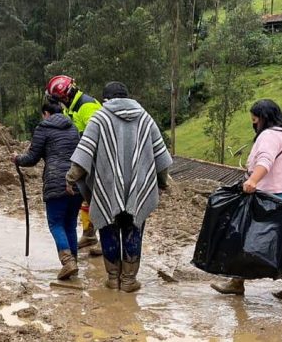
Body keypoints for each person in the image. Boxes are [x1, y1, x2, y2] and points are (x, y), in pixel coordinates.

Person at [66, 82, 172, 292]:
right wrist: (162, 182)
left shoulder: (100, 118)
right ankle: (129, 281)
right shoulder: (145, 118)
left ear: (106, 99)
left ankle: (113, 279)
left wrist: (71, 178)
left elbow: (84, 153)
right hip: (139, 188)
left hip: (107, 187)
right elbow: (160, 155)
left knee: (108, 228)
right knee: (133, 229)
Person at [211, 99, 282, 303]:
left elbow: (265, 160)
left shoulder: (269, 136)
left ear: (263, 118)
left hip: (275, 199)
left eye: (255, 120)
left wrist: (252, 181)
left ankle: (236, 283)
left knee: (246, 237)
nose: (254, 125)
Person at [12, 101, 82, 280]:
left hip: (56, 181)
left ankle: (67, 262)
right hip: (77, 181)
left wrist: (17, 159)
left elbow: (32, 158)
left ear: (46, 113)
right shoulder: (73, 127)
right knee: (70, 224)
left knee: (56, 223)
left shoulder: (43, 127)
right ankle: (73, 261)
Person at [45, 75, 103, 253]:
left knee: (101, 200)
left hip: (98, 160)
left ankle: (106, 236)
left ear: (63, 97)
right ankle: (89, 233)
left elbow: (96, 137)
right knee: (86, 198)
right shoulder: (71, 108)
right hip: (83, 160)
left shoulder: (87, 106)